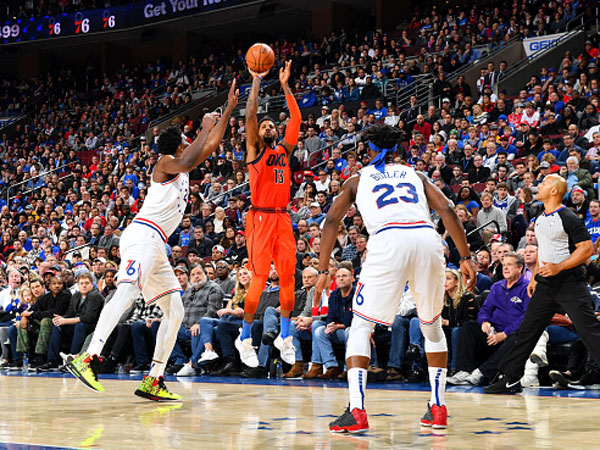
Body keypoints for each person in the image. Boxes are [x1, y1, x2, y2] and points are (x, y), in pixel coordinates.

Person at [65, 83, 238, 400]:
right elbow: (190, 157)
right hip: (142, 235)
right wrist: (204, 125)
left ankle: (155, 378)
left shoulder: (184, 164)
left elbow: (209, 146)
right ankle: (88, 356)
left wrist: (226, 112)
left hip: (157, 245)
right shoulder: (165, 163)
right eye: (190, 139)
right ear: (180, 143)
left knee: (174, 310)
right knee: (128, 291)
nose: (194, 142)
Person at [315, 124, 476, 433]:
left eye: (365, 149)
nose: (362, 154)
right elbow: (448, 209)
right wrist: (465, 257)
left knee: (361, 326)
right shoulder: (417, 175)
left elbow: (332, 218)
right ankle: (438, 407)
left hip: (388, 240)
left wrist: (324, 269)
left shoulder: (356, 179)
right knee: (430, 326)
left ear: (371, 151)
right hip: (427, 239)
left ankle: (357, 411)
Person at [485, 174, 600, 393]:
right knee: (528, 330)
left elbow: (586, 249)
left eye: (545, 183)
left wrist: (559, 267)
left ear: (555, 191)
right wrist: (536, 276)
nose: (539, 186)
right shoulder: (539, 218)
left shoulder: (568, 217)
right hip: (545, 283)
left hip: (570, 281)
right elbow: (544, 252)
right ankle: (510, 377)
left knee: (589, 330)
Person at [236, 60, 301, 368]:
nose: (268, 127)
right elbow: (250, 115)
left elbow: (297, 119)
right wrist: (257, 81)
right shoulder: (255, 150)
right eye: (264, 126)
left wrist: (286, 85)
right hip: (260, 218)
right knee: (260, 280)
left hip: (283, 218)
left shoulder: (284, 152)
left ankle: (284, 336)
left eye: (271, 124)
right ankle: (245, 336)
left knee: (288, 279)